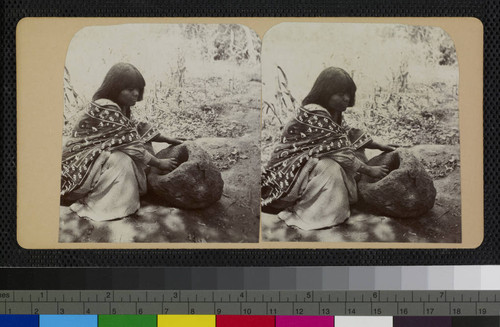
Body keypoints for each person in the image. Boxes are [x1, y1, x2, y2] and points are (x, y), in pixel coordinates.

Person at [261, 67, 396, 230]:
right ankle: (315, 213)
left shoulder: (333, 112)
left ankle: (330, 204)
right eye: (340, 94)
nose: (346, 99)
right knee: (331, 167)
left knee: (353, 152)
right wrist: (369, 170)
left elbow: (347, 134)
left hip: (306, 165)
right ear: (325, 93)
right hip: (287, 174)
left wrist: (377, 144)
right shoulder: (314, 112)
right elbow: (339, 151)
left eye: (348, 94)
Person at [61, 63, 183, 221]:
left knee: (141, 145)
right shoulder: (105, 107)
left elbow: (136, 128)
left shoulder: (119, 107)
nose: (136, 93)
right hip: (77, 169)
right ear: (115, 87)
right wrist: (159, 163)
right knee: (122, 159)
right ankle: (106, 205)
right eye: (130, 89)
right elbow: (130, 145)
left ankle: (118, 197)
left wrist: (167, 139)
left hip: (91, 161)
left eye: (138, 89)